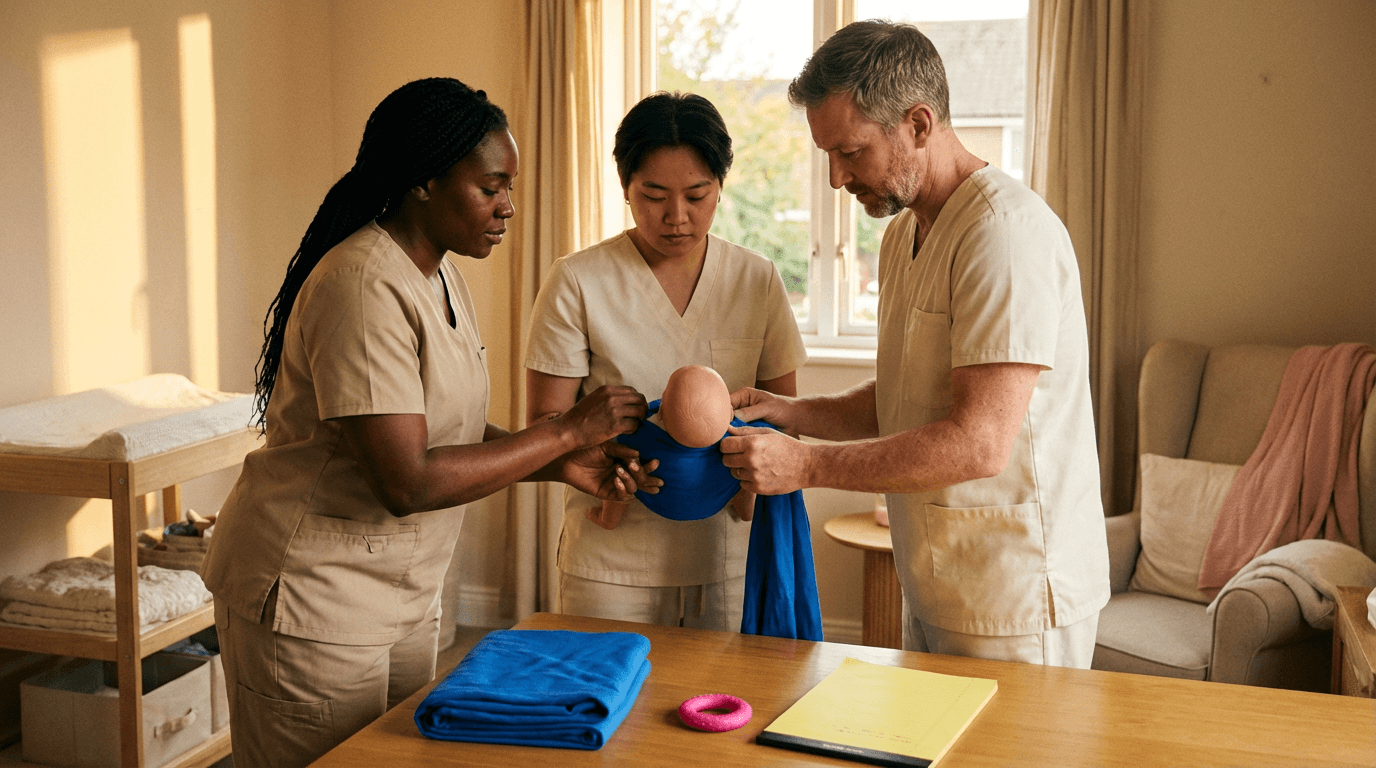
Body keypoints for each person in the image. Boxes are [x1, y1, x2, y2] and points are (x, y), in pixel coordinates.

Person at [201, 78, 658, 767]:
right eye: (490, 188)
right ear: (422, 182)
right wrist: (566, 431)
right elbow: (407, 480)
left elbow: (449, 434)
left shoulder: (439, 275)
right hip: (311, 600)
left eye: (509, 187)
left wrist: (558, 463)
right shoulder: (362, 286)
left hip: (400, 596)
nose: (509, 207)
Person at [719, 21, 1110, 668]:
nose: (837, 179)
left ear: (919, 125)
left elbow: (980, 441)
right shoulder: (905, 236)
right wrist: (793, 414)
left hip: (1015, 595)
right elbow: (907, 395)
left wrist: (807, 467)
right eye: (828, 157)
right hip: (936, 579)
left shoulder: (1005, 237)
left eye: (851, 152)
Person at [523, 92, 808, 632]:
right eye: (653, 195)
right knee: (610, 709)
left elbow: (785, 418)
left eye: (697, 195)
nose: (677, 217)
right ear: (626, 188)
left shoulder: (755, 279)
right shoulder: (578, 281)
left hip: (728, 557)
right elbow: (542, 432)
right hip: (610, 562)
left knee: (725, 708)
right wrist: (604, 453)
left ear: (721, 187)